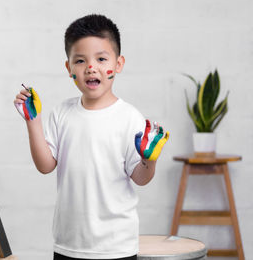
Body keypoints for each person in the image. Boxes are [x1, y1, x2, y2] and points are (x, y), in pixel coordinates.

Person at [13, 14, 169, 260]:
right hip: (68, 244)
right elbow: (45, 166)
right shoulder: (62, 113)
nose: (91, 67)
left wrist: (150, 159)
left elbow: (140, 178)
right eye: (80, 60)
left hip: (117, 247)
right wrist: (33, 121)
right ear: (68, 68)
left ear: (118, 64)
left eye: (101, 59)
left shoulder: (129, 118)